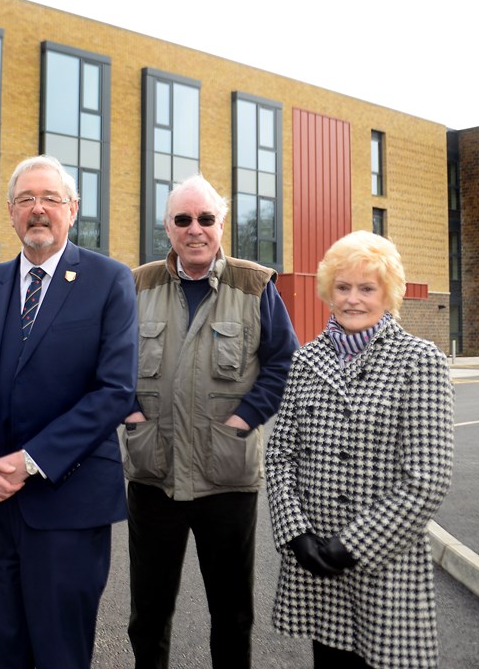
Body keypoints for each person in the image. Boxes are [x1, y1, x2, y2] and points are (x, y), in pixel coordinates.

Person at [0, 154, 138, 668]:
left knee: (59, 654)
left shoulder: (109, 281)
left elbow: (114, 390)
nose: (38, 209)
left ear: (73, 209)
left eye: (50, 199)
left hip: (66, 504)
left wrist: (28, 461)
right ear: (10, 213)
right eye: (26, 200)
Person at [121, 174, 299, 668]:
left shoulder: (255, 284)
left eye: (206, 219)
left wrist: (244, 420)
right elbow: (107, 363)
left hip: (228, 479)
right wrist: (131, 414)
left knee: (232, 614)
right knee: (149, 615)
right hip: (153, 477)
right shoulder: (137, 285)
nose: (194, 229)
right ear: (167, 227)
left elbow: (284, 363)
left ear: (222, 224)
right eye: (183, 219)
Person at [265, 230, 454, 668]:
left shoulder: (419, 361)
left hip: (383, 565)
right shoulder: (306, 361)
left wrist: (352, 546)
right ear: (329, 292)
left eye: (367, 288)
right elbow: (279, 457)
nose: (353, 299)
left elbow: (428, 479)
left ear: (389, 295)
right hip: (317, 567)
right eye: (343, 287)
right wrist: (296, 534)